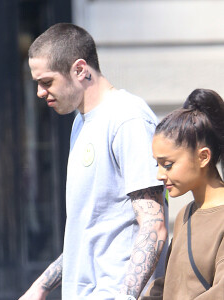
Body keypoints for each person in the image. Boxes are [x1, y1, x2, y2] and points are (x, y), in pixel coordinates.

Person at [19, 23, 168, 300]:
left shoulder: (128, 119)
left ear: (80, 69)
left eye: (46, 81)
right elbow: (88, 231)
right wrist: (40, 287)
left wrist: (125, 296)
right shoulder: (81, 122)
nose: (40, 92)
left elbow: (153, 225)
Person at [143, 88, 224, 299]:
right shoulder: (184, 215)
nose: (160, 175)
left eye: (168, 165)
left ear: (203, 157)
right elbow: (170, 285)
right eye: (157, 165)